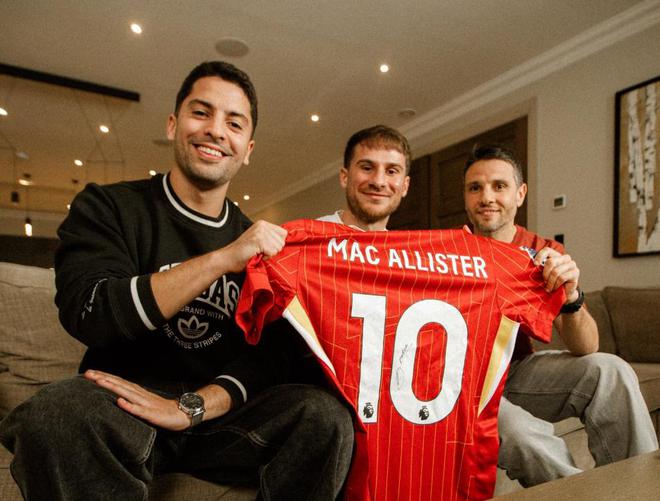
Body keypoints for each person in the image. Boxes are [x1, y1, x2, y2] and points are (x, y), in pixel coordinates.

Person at [0, 61, 353, 501]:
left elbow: (267, 360)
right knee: (54, 415)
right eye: (201, 113)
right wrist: (222, 260)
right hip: (124, 405)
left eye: (234, 123)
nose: (216, 130)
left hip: (216, 416)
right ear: (173, 124)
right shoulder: (109, 207)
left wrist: (191, 408)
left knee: (324, 418)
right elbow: (92, 311)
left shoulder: (261, 247)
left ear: (247, 149)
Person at [462, 143, 658, 487]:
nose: (487, 197)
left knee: (611, 370)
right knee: (520, 432)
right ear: (465, 197)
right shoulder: (448, 250)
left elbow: (587, 347)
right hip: (465, 384)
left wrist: (571, 297)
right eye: (475, 187)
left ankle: (640, 488)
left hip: (516, 371)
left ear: (520, 194)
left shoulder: (542, 252)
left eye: (499, 186)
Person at [318, 124, 410, 230]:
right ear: (345, 177)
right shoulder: (307, 236)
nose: (378, 182)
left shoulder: (409, 241)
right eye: (367, 168)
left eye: (391, 171)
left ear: (405, 186)